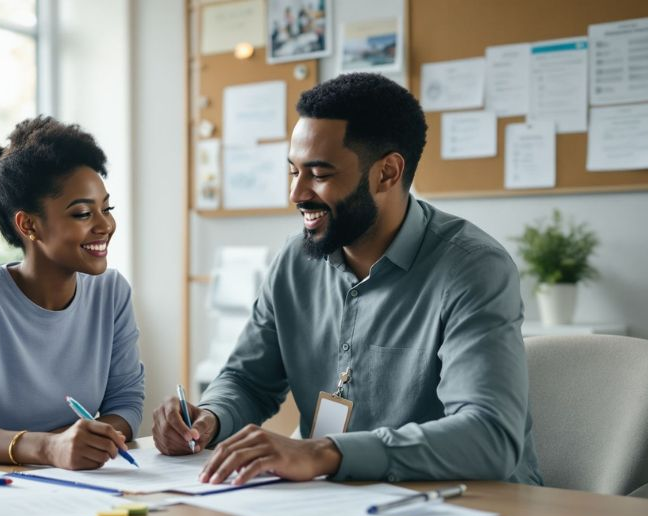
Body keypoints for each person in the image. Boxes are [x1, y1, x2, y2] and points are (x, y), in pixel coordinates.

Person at [153, 73, 542, 487]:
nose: (296, 193)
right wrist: (210, 418)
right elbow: (248, 380)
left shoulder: (473, 269)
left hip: (469, 506)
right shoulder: (294, 261)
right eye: (293, 171)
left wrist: (325, 453)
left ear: (387, 173)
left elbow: (489, 437)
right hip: (340, 503)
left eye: (319, 174)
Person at [0, 116, 145, 470]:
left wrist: (76, 445)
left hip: (62, 481)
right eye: (83, 213)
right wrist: (49, 448)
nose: (105, 225)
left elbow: (126, 405)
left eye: (107, 209)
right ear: (28, 225)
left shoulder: (111, 292)